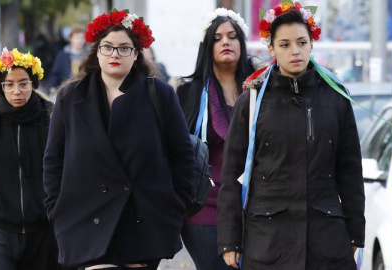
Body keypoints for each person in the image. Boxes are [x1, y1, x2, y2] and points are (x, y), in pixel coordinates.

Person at [43, 9, 195, 270]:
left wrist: (174, 207)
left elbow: (181, 156)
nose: (115, 54)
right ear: (96, 51)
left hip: (142, 224)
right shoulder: (71, 97)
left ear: (136, 54)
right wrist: (57, 210)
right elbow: (53, 160)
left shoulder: (159, 94)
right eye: (108, 47)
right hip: (85, 223)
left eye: (124, 48)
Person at [217, 2, 365, 269]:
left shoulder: (335, 97)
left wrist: (356, 231)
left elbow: (350, 170)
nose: (295, 51)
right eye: (284, 44)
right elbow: (232, 174)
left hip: (326, 240)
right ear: (271, 49)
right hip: (267, 241)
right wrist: (230, 240)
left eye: (301, 42)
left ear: (311, 45)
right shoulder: (252, 99)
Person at [172, 8, 264, 270]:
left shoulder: (264, 90)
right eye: (218, 37)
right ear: (207, 45)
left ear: (242, 43)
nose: (226, 42)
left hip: (256, 207)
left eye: (232, 36)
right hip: (205, 209)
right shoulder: (186, 92)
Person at [0, 48, 58, 270]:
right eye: (9, 84)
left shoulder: (50, 116)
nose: (17, 91)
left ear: (33, 84)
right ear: (1, 86)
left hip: (43, 232)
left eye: (23, 83)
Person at [49, 25, 90, 89]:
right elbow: (55, 73)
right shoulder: (62, 55)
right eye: (77, 38)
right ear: (71, 38)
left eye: (82, 38)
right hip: (66, 89)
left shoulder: (89, 55)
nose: (79, 41)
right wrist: (53, 87)